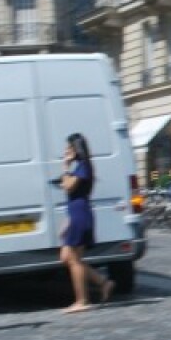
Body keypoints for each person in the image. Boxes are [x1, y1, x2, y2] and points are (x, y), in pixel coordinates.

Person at [60, 133, 114, 313]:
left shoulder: (83, 167)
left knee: (74, 259)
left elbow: (68, 186)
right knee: (67, 257)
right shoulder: (81, 167)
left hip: (80, 214)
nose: (66, 151)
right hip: (76, 214)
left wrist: (66, 167)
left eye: (69, 148)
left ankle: (82, 300)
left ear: (76, 149)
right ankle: (102, 282)